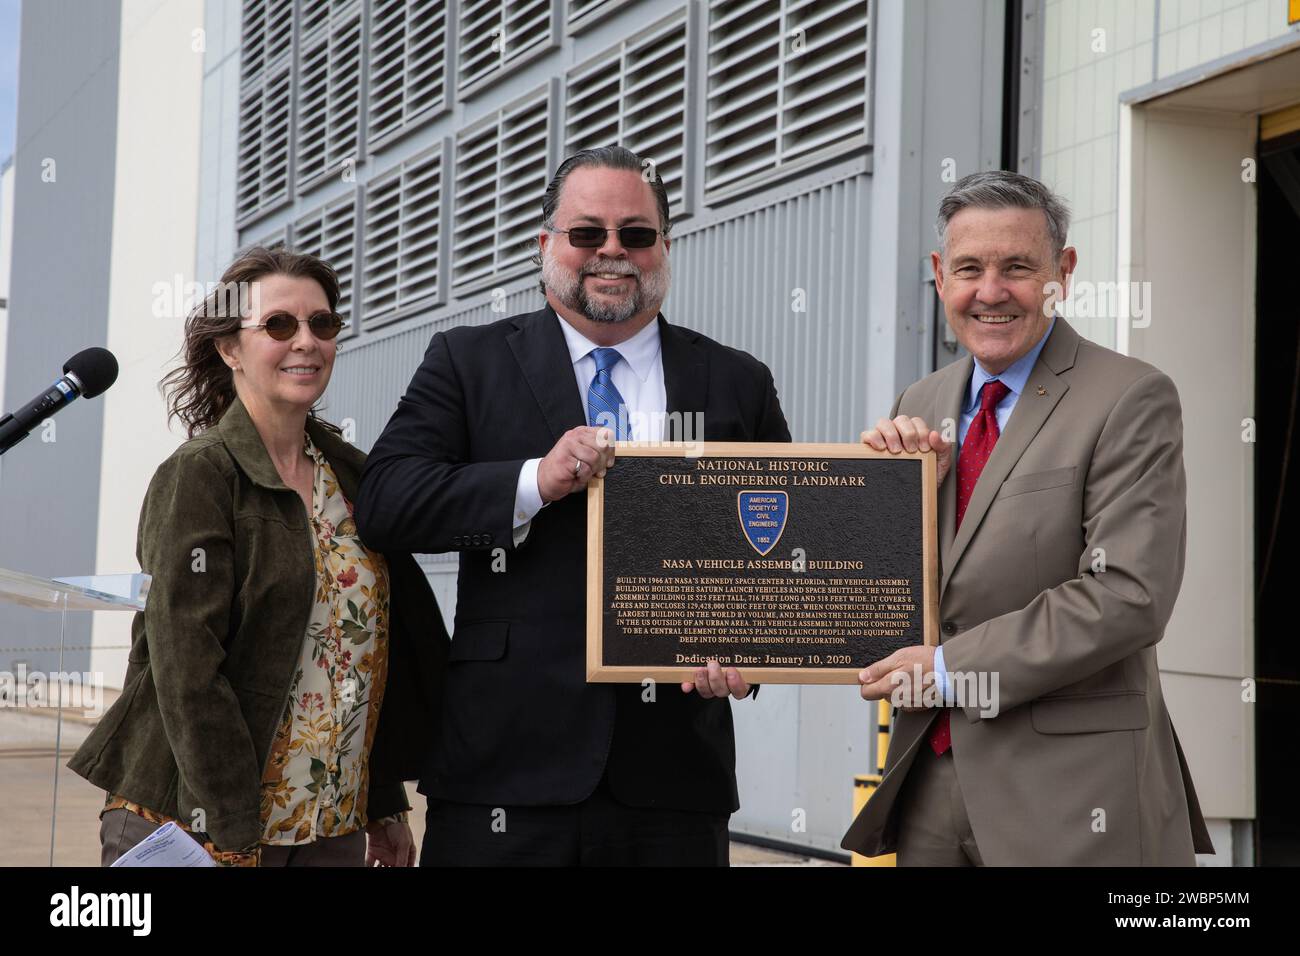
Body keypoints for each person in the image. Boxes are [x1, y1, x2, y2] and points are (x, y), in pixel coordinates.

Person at [354, 146, 791, 866]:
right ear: (546, 245)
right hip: (503, 775)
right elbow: (388, 501)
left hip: (674, 785)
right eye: (587, 233)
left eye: (637, 234)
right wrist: (534, 480)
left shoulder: (737, 380)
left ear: (665, 247)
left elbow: (782, 552)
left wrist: (751, 652)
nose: (612, 252)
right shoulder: (467, 362)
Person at [842, 170, 1213, 865]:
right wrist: (884, 502)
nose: (990, 292)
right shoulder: (920, 401)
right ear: (938, 275)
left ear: (1061, 273)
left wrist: (951, 668)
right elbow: (902, 592)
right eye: (969, 269)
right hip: (926, 784)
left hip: (1073, 798)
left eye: (1017, 267)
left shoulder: (1130, 397)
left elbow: (1129, 595)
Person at [69, 248, 448, 866]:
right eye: (278, 325)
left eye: (322, 324)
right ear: (230, 348)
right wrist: (228, 829)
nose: (306, 342)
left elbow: (361, 660)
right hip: (199, 822)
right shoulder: (201, 476)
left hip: (329, 826)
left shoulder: (353, 476)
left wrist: (382, 802)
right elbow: (187, 670)